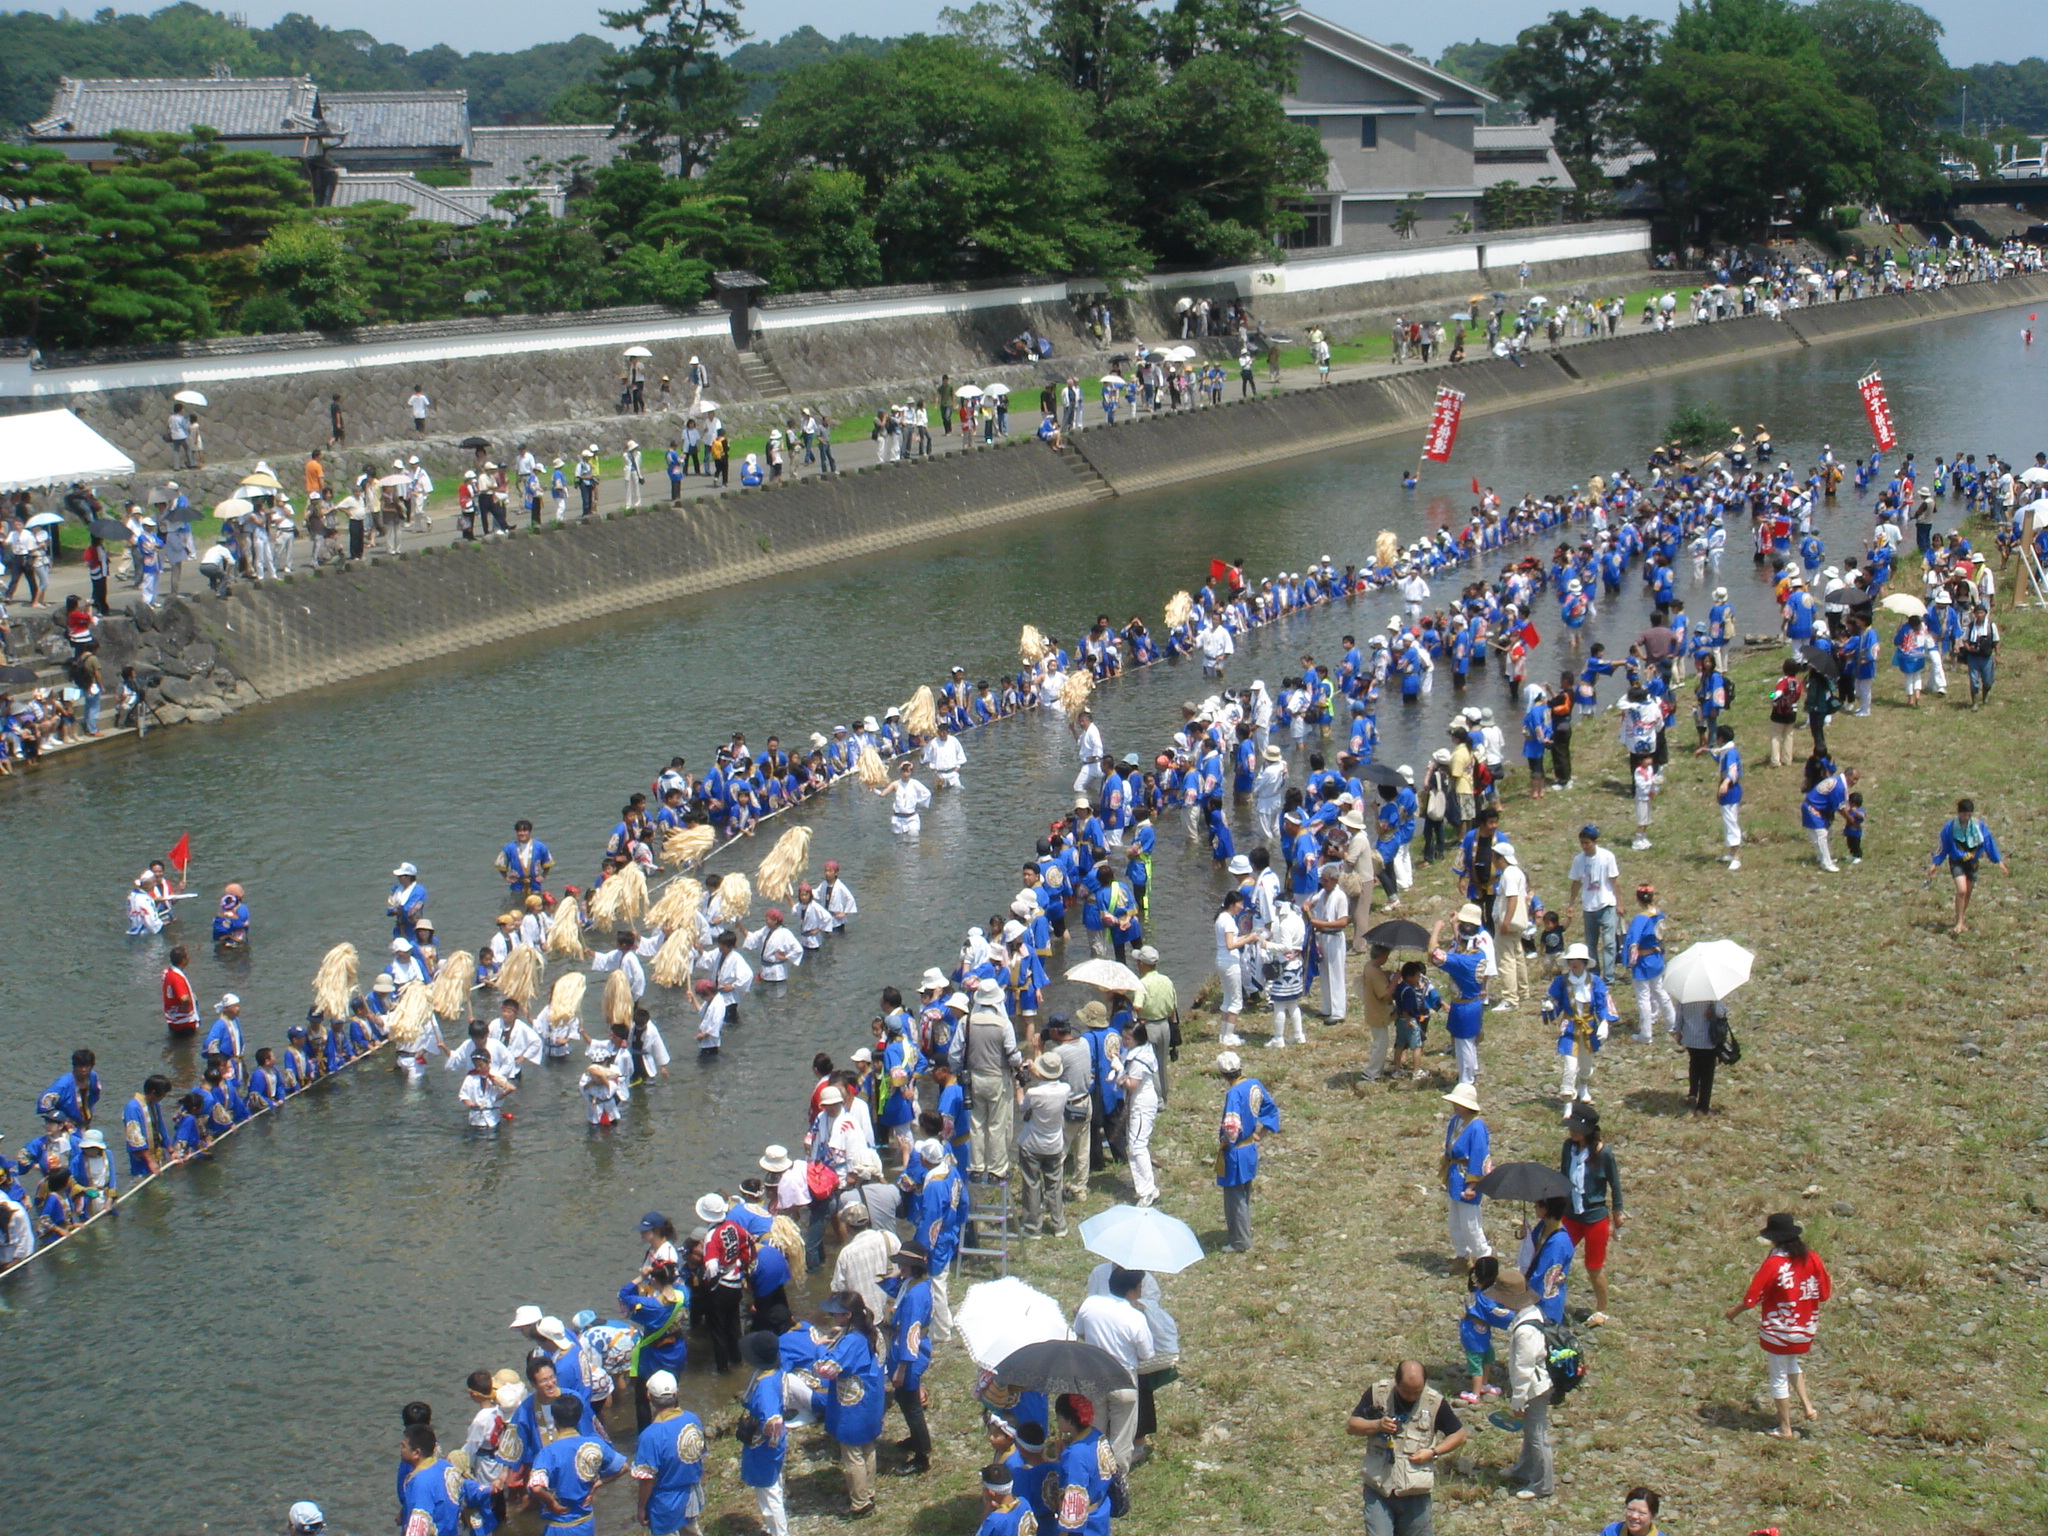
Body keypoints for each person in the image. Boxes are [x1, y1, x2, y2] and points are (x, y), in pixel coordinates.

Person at [1726, 1212, 1831, 1439]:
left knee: (1778, 1376)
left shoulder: (1774, 1263)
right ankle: (1808, 1406)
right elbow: (1824, 1293)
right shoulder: (1811, 1258)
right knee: (1792, 1362)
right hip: (1806, 1326)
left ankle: (1785, 1427)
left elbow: (1751, 1298)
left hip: (1779, 1330)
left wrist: (1734, 1311)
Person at [1347, 1359, 1468, 1536]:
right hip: (1379, 1488)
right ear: (1396, 1382)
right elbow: (1352, 1426)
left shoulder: (1434, 1402)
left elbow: (1459, 1435)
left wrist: (1433, 1452)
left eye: (1416, 1392)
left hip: (1415, 1492)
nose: (1410, 1396)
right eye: (1405, 1391)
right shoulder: (1377, 1393)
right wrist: (1377, 1425)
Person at [1072, 1266, 1152, 1469]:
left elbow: (1079, 1331)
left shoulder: (1090, 1304)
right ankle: (1117, 1480)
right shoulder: (1136, 1317)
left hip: (1093, 1375)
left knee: (1094, 1433)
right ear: (1132, 1290)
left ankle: (1092, 1472)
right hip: (1123, 1378)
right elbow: (1146, 1354)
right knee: (1122, 1438)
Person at [817, 1290, 887, 1518]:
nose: (832, 1316)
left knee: (852, 1453)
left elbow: (827, 1369)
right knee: (867, 1447)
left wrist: (819, 1346)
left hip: (853, 1405)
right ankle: (868, 1491)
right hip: (871, 1399)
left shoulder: (852, 1340)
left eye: (835, 1313)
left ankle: (860, 1503)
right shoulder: (872, 1331)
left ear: (847, 1315)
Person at [528, 1394, 627, 1533]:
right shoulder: (596, 1444)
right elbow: (623, 1467)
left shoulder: (548, 1452)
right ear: (579, 1417)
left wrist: (552, 1503)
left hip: (559, 1526)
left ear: (554, 1420)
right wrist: (597, 1484)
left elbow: (536, 1488)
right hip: (586, 1523)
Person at [1559, 1104, 1622, 1325]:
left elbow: (1615, 1184)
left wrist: (1617, 1211)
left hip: (1595, 1218)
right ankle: (1552, 1301)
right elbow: (1563, 1176)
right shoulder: (1568, 1147)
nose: (1572, 1132)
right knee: (1557, 1258)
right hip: (1570, 1215)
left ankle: (1602, 1309)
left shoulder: (1604, 1153)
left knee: (1594, 1267)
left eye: (1576, 1129)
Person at [1214, 1050, 1279, 1252]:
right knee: (1245, 1195)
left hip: (1236, 1152)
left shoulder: (1234, 1093)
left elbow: (1232, 1126)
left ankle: (1240, 1241)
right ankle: (1243, 1232)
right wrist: (1262, 1133)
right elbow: (1270, 1108)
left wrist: (1225, 1142)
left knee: (1235, 1199)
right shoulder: (1254, 1084)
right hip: (1250, 1147)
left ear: (1222, 1074)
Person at [629, 1369, 706, 1536]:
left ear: (649, 1397)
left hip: (665, 1503)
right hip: (690, 1494)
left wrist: (641, 1507)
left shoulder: (650, 1436)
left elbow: (647, 1479)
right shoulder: (693, 1419)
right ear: (677, 1393)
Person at [1499, 1273, 1554, 1500]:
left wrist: (1518, 1401)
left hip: (1535, 1388)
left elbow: (1524, 1368)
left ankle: (1543, 1484)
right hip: (1539, 1383)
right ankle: (1524, 1469)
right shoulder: (1532, 1313)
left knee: (1537, 1435)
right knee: (1531, 1432)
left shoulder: (1525, 1331)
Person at [736, 1330, 790, 1536]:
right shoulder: (773, 1373)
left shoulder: (765, 1386)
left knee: (769, 1492)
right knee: (772, 1485)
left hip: (764, 1446)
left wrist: (769, 1442)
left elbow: (773, 1422)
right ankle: (773, 1528)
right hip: (770, 1444)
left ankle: (779, 1532)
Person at [1929, 797, 2007, 935]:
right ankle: (1959, 922)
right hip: (1957, 861)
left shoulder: (1978, 826)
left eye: (1969, 815)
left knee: (1968, 892)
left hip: (1972, 862)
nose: (1966, 818)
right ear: (1959, 813)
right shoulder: (1950, 827)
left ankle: (1960, 919)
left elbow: (1989, 843)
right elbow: (1943, 846)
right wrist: (1935, 863)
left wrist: (1999, 862)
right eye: (1964, 814)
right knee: (1962, 890)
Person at [1017, 1053, 1070, 1238]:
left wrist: (1018, 1087)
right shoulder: (1065, 1089)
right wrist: (1037, 1072)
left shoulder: (1034, 1093)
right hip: (1054, 1144)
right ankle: (1059, 1225)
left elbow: (1022, 1106)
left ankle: (1033, 1226)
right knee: (1054, 1185)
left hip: (1032, 1144)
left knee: (1032, 1184)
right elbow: (1048, 1081)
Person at [1439, 1081, 1491, 1271]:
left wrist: (1472, 1184)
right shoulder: (1456, 1121)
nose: (1455, 1106)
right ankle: (1462, 1255)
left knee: (1470, 1223)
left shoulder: (1477, 1127)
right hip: (1455, 1176)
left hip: (1467, 1177)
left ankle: (1484, 1258)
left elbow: (1479, 1155)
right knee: (1455, 1221)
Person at [1049, 1392, 1113, 1536]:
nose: (1057, 1420)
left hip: (1085, 1525)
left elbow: (1074, 1499)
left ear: (1070, 1421)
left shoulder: (1075, 1455)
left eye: (1059, 1417)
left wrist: (1064, 1533)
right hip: (1101, 1510)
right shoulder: (1097, 1435)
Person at [1622, 885, 1675, 1043]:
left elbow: (1633, 942)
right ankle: (1672, 1023)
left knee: (1643, 997)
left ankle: (1646, 1034)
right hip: (1656, 957)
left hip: (1643, 962)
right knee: (1659, 990)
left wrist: (1629, 961)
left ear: (1637, 898)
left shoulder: (1640, 919)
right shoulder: (1659, 914)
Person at [1567, 825, 1621, 978]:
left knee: (1609, 942)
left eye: (1587, 843)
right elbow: (1576, 882)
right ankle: (1595, 973)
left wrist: (1620, 903)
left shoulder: (1607, 857)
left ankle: (1609, 975)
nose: (1584, 846)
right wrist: (1571, 903)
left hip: (1606, 903)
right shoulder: (1579, 860)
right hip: (1589, 906)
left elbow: (1615, 881)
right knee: (1591, 943)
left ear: (1594, 842)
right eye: (1582, 843)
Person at [1597, 1487, 1667, 1536]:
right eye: (1630, 1509)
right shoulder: (1611, 1532)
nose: (1634, 1516)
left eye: (1641, 1513)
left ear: (1653, 1515)